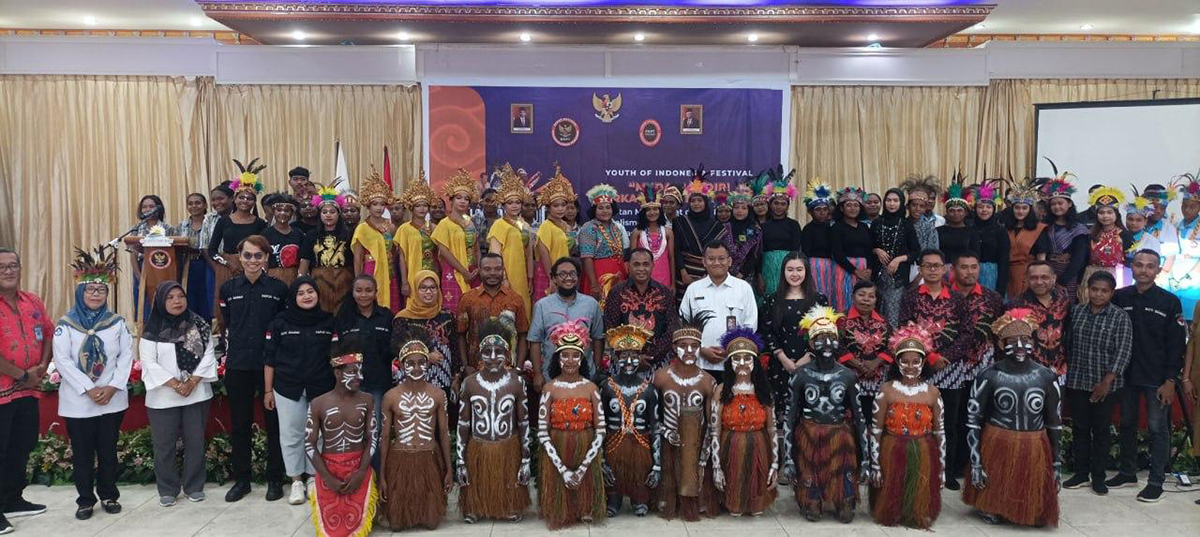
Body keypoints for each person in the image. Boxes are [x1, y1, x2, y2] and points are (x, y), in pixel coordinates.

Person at [53, 246, 133, 520]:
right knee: (83, 454)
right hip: (79, 402)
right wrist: (89, 388)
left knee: (109, 452)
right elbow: (62, 360)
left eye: (101, 291)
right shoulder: (66, 324)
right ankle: (85, 500)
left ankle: (109, 495)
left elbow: (125, 357)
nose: (96, 295)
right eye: (91, 290)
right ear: (80, 293)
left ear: (108, 294)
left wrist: (111, 387)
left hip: (111, 400)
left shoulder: (117, 323)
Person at [964, 308, 1062, 527]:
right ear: (1001, 344)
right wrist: (977, 463)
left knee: (1036, 513)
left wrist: (1056, 463)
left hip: (1034, 443)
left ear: (1033, 343)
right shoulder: (989, 375)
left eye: (1025, 339)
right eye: (1012, 340)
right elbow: (973, 420)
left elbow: (1054, 423)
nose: (1020, 346)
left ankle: (1028, 506)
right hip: (998, 440)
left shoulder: (1046, 377)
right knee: (997, 490)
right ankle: (993, 504)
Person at [1107, 249, 1187, 503]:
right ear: (1132, 267)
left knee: (1157, 429)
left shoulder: (1169, 301)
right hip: (1126, 374)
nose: (1143, 270)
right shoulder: (1119, 297)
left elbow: (1176, 345)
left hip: (1157, 376)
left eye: (1149, 266)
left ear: (1158, 269)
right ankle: (1127, 472)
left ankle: (1156, 481)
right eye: (1139, 265)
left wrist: (1170, 380)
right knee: (1127, 423)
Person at [218, 235, 287, 503]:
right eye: (247, 255)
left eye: (258, 256)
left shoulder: (279, 289)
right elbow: (228, 322)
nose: (252, 261)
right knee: (240, 424)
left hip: (269, 366)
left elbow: (281, 326)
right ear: (240, 257)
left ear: (266, 258)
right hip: (238, 365)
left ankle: (274, 479)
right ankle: (242, 480)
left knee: (274, 424)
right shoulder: (229, 289)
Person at [898, 249, 971, 490]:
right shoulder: (911, 296)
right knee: (919, 420)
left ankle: (947, 472)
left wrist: (946, 357)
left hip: (951, 369)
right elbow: (905, 329)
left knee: (948, 423)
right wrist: (929, 356)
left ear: (945, 269)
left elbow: (966, 333)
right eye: (927, 265)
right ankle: (918, 469)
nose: (932, 269)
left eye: (936, 265)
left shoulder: (958, 298)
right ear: (919, 268)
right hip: (920, 367)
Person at [140, 281, 218, 507]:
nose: (177, 301)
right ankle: (168, 489)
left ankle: (194, 486)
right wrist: (176, 384)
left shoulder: (199, 325)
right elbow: (148, 362)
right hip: (162, 396)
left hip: (196, 393)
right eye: (170, 297)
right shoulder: (152, 328)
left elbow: (209, 355)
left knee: (195, 442)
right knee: (164, 445)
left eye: (180, 296)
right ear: (161, 301)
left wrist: (192, 382)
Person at [785, 308, 864, 523]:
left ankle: (842, 498)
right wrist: (788, 458)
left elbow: (859, 417)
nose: (827, 343)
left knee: (847, 514)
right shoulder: (800, 375)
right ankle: (812, 499)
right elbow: (789, 417)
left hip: (840, 434)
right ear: (811, 344)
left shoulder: (848, 376)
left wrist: (866, 457)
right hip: (809, 433)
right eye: (820, 338)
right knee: (812, 511)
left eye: (831, 338)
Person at [263, 277, 336, 505]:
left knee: (319, 435)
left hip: (321, 387)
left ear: (317, 294)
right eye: (301, 293)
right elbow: (269, 359)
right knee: (291, 435)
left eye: (310, 291)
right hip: (287, 387)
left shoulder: (328, 321)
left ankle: (315, 478)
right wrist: (268, 391)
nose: (306, 296)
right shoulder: (279, 322)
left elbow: (337, 356)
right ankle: (296, 481)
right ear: (293, 298)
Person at [867, 322, 945, 529]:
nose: (910, 366)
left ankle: (914, 511)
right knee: (893, 487)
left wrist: (942, 468)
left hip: (923, 449)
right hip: (891, 448)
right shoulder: (886, 390)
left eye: (916, 361)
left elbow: (940, 432)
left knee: (917, 487)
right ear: (897, 363)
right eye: (905, 361)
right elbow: (875, 430)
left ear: (923, 363)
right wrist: (875, 465)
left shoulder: (932, 393)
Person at [1063, 271, 1132, 496]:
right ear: (1086, 289)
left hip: (1106, 384)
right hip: (1077, 380)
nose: (1098, 294)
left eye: (1104, 291)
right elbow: (1069, 344)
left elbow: (1123, 351)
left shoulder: (1119, 317)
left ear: (1112, 293)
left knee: (1101, 430)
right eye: (1094, 289)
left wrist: (1106, 382)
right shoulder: (1076, 312)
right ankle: (1081, 473)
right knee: (1080, 427)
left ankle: (1098, 476)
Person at [455, 320, 531, 524]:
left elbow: (524, 423)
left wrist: (525, 459)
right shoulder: (469, 383)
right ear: (479, 355)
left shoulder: (517, 382)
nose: (493, 357)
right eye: (487, 352)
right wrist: (461, 461)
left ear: (507, 354)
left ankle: (507, 505)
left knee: (505, 480)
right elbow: (462, 424)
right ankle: (476, 506)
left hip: (508, 446)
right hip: (478, 445)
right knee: (479, 478)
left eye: (499, 351)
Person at [379, 328, 453, 531]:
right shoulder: (391, 397)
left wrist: (448, 468)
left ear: (428, 364)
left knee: (431, 523)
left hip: (428, 457)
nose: (417, 368)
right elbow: (384, 437)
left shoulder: (438, 395)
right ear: (401, 365)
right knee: (396, 525)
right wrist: (383, 474)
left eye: (422, 362)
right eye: (410, 363)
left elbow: (445, 434)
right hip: (400, 457)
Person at [0, 247, 52, 532]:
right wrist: (22, 374)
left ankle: (12, 499)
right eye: (2, 267)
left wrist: (42, 366)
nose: (8, 271)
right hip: (4, 390)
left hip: (28, 390)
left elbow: (46, 332)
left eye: (13, 265)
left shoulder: (32, 301)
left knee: (21, 446)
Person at [537, 320, 607, 529]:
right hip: (557, 446)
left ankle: (585, 506)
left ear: (582, 358)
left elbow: (601, 430)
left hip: (586, 446)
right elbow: (542, 432)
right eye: (564, 355)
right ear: (557, 358)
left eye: (575, 355)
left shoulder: (591, 388)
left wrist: (584, 466)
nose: (570, 361)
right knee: (561, 488)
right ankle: (560, 507)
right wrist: (563, 470)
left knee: (584, 486)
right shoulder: (549, 389)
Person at [946, 251, 1005, 489]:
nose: (969, 272)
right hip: (951, 368)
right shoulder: (945, 296)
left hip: (982, 367)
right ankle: (950, 468)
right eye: (964, 267)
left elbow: (1000, 332)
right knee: (953, 419)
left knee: (979, 418)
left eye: (974, 267)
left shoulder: (992, 298)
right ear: (954, 270)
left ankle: (975, 466)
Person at [652, 311, 718, 521]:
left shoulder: (707, 381)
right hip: (667, 444)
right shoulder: (661, 377)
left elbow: (712, 424)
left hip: (696, 445)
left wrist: (703, 458)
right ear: (673, 348)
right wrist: (665, 432)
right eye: (683, 345)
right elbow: (651, 417)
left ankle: (693, 498)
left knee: (693, 485)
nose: (689, 351)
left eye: (695, 346)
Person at [305, 348, 378, 537]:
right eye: (353, 371)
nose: (359, 376)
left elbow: (372, 437)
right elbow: (309, 444)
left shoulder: (367, 399)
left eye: (360, 371)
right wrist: (327, 477)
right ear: (338, 373)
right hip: (329, 469)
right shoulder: (318, 403)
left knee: (358, 526)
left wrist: (361, 472)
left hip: (358, 466)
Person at [758, 253, 829, 437]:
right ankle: (782, 459)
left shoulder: (819, 299)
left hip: (811, 364)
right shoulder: (772, 300)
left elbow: (824, 332)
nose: (794, 274)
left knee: (809, 417)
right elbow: (767, 332)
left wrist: (807, 357)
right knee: (782, 417)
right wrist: (782, 358)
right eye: (790, 269)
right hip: (780, 365)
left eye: (799, 269)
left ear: (806, 271)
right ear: (783, 272)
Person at [710, 327, 777, 516]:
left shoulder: (764, 390)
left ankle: (755, 500)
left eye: (747, 359)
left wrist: (773, 465)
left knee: (756, 505)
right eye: (736, 359)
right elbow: (714, 429)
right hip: (730, 445)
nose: (742, 363)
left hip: (758, 445)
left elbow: (772, 429)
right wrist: (717, 467)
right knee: (735, 507)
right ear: (729, 363)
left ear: (755, 362)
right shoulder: (722, 390)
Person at [599, 324, 661, 517]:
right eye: (623, 357)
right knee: (614, 476)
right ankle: (614, 499)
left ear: (640, 358)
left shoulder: (649, 390)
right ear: (615, 358)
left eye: (634, 356)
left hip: (641, 444)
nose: (629, 362)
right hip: (613, 442)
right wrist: (601, 458)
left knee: (639, 472)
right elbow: (599, 424)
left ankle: (638, 498)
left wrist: (657, 464)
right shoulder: (606, 388)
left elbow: (656, 426)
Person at [333, 275, 393, 467]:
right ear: (352, 292)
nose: (363, 295)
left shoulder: (387, 317)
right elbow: (336, 352)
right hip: (351, 385)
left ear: (376, 292)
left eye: (368, 290)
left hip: (378, 384)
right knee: (352, 429)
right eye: (359, 290)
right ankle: (354, 472)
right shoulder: (343, 318)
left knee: (374, 430)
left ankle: (375, 474)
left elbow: (393, 350)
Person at [679, 241, 758, 380]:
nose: (716, 263)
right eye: (711, 259)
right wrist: (701, 349)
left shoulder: (743, 288)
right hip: (699, 363)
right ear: (704, 262)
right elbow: (683, 324)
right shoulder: (693, 289)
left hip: (734, 363)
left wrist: (731, 348)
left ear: (729, 261)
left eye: (721, 259)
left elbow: (750, 324)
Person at [208, 160, 269, 330]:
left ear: (253, 201)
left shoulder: (260, 223)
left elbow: (264, 249)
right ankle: (225, 339)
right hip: (227, 269)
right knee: (226, 305)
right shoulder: (224, 222)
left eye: (249, 198)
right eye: (241, 197)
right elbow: (212, 250)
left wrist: (255, 265)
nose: (245, 201)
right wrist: (228, 264)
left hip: (252, 266)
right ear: (235, 199)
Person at [529, 257, 605, 389]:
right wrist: (537, 374)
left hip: (585, 377)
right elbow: (535, 341)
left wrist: (597, 370)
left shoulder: (591, 304)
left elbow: (598, 338)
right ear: (553, 278)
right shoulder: (542, 305)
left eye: (572, 273)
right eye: (562, 274)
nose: (568, 277)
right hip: (551, 377)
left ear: (578, 277)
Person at [602, 248, 675, 374]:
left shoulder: (664, 293)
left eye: (646, 264)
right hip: (623, 362)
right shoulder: (617, 292)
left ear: (653, 265)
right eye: (636, 264)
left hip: (657, 363)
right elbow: (610, 328)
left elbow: (671, 329)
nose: (641, 268)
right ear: (628, 266)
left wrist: (652, 356)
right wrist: (632, 356)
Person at [456, 253, 529, 377]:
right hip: (476, 370)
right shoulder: (467, 299)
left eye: (497, 269)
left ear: (503, 270)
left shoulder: (515, 299)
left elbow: (523, 334)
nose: (493, 273)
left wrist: (517, 368)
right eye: (487, 269)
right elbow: (461, 334)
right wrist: (465, 367)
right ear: (479, 270)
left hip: (508, 370)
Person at [393, 271, 458, 398]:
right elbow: (396, 347)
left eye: (433, 287)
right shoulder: (404, 317)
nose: (428, 292)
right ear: (416, 290)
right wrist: (426, 356)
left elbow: (454, 347)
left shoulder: (447, 315)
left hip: (442, 376)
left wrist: (456, 376)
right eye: (423, 288)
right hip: (412, 377)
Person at [836, 282, 892, 428]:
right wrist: (858, 364)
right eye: (861, 295)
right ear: (852, 297)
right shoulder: (841, 320)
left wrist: (876, 363)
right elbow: (837, 346)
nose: (866, 299)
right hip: (849, 380)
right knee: (851, 424)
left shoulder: (884, 322)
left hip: (877, 382)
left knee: (873, 423)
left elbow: (893, 345)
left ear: (876, 300)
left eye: (871, 296)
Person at [432, 170, 482, 314]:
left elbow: (476, 247)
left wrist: (478, 267)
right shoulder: (444, 224)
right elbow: (444, 252)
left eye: (466, 199)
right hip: (453, 271)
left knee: (474, 309)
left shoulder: (470, 223)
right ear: (452, 200)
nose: (462, 201)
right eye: (458, 197)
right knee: (454, 309)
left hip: (473, 271)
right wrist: (463, 271)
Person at [1009, 261, 1071, 376]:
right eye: (1033, 278)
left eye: (1044, 277)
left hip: (1059, 371)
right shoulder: (1015, 305)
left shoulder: (1064, 302)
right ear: (1026, 279)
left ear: (1054, 278)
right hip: (1028, 373)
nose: (1039, 282)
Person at [299, 186, 355, 314]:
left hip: (344, 280)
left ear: (338, 214)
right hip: (319, 280)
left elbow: (355, 260)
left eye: (332, 212)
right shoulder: (311, 235)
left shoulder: (349, 235)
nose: (328, 215)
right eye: (325, 212)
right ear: (320, 215)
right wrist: (301, 282)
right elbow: (305, 260)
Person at [869, 188, 919, 325]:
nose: (892, 204)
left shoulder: (906, 224)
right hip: (878, 276)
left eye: (896, 200)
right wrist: (876, 250)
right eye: (889, 200)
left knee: (894, 314)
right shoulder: (876, 223)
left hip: (898, 278)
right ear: (884, 203)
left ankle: (894, 344)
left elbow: (916, 251)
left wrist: (898, 259)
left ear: (901, 203)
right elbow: (868, 247)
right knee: (877, 311)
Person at [673, 168, 726, 299]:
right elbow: (676, 250)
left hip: (709, 272)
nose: (696, 204)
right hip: (685, 273)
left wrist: (709, 273)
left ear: (705, 202)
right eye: (693, 201)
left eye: (699, 201)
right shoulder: (680, 221)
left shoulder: (717, 225)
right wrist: (683, 273)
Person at [352, 171, 399, 313]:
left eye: (382, 204)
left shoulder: (391, 227)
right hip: (370, 270)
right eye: (375, 204)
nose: (379, 208)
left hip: (389, 271)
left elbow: (394, 253)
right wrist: (357, 280)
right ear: (368, 206)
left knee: (391, 303)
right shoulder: (362, 228)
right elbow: (358, 258)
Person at [490, 172, 536, 316]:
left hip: (522, 277)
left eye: (518, 202)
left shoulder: (525, 226)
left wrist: (530, 278)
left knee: (524, 311)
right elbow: (495, 256)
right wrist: (502, 279)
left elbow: (529, 255)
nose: (515, 206)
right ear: (503, 205)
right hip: (507, 277)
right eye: (510, 203)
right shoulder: (499, 225)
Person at [579, 184, 629, 309]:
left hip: (618, 273)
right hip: (598, 274)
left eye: (608, 207)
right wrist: (594, 284)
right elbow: (587, 258)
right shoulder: (589, 228)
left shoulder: (616, 228)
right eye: (600, 208)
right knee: (600, 308)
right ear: (594, 210)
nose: (605, 210)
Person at [1040, 173, 1089, 300]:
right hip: (1047, 272)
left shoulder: (1079, 229)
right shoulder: (1044, 226)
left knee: (1067, 306)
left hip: (1069, 275)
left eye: (1060, 203)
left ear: (1069, 204)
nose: (1057, 207)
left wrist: (1062, 281)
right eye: (1053, 204)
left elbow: (1079, 259)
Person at [1079, 188, 1134, 300]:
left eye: (1109, 212)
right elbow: (1083, 259)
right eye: (1101, 212)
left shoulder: (1125, 235)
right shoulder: (1090, 234)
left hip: (1117, 276)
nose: (1105, 216)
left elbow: (1130, 260)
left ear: (1116, 214)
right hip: (1092, 275)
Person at [394, 176, 440, 306]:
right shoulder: (404, 229)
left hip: (432, 270)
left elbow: (440, 253)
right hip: (413, 274)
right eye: (418, 206)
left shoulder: (433, 227)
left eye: (425, 205)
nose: (422, 209)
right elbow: (402, 257)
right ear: (411, 208)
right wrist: (404, 282)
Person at [1002, 176, 1049, 298]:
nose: (1020, 211)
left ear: (1030, 209)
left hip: (1029, 273)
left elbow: (1041, 258)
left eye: (1024, 208)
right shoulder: (1006, 228)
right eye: (1017, 208)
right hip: (1008, 273)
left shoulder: (1039, 229)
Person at [127, 194, 171, 321]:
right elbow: (133, 255)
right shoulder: (136, 229)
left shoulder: (168, 228)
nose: (148, 209)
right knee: (143, 302)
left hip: (162, 269)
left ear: (159, 208)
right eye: (144, 207)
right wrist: (139, 277)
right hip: (141, 268)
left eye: (151, 206)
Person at [534, 168, 577, 299]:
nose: (560, 209)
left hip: (564, 273)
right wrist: (551, 277)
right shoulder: (546, 226)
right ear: (548, 208)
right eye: (556, 205)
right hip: (550, 274)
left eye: (563, 205)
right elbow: (544, 253)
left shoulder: (564, 226)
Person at [760, 168, 802, 296]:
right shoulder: (763, 227)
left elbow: (796, 250)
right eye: (776, 203)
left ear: (787, 206)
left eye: (783, 204)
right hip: (768, 268)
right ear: (770, 205)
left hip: (788, 266)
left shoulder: (793, 225)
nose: (779, 206)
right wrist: (759, 275)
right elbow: (759, 252)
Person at [830, 187, 873, 311]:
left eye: (856, 205)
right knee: (844, 300)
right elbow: (837, 254)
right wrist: (855, 271)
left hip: (864, 269)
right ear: (842, 208)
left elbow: (869, 250)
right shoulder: (836, 228)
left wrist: (869, 269)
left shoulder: (864, 227)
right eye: (849, 205)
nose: (853, 208)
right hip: (844, 270)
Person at [630, 185, 676, 292]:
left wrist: (673, 283)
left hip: (664, 277)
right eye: (648, 210)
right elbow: (632, 260)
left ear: (660, 211)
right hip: (641, 278)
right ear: (643, 213)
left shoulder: (668, 232)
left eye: (655, 209)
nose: (652, 213)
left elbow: (671, 258)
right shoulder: (637, 232)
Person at [177, 192, 214, 321]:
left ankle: (207, 328)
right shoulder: (181, 226)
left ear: (205, 205)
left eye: (198, 203)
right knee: (190, 296)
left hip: (207, 263)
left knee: (207, 297)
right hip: (188, 265)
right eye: (190, 203)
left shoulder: (212, 223)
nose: (194, 206)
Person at [937, 180, 981, 286]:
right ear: (947, 213)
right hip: (942, 275)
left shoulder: (972, 232)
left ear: (965, 212)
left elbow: (976, 256)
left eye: (959, 210)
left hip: (965, 274)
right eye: (952, 210)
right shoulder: (938, 231)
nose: (955, 213)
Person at [1168, 174, 1200, 320]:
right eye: (1184, 206)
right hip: (1174, 279)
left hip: (1194, 279)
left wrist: (1189, 276)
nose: (1187, 210)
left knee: (1191, 319)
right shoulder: (1176, 225)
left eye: (1192, 207)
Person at [971, 181, 1011, 293]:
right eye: (980, 206)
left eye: (988, 207)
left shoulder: (1000, 231)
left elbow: (1004, 261)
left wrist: (1001, 289)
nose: (984, 210)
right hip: (970, 274)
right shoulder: (969, 228)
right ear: (975, 208)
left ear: (994, 209)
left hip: (993, 276)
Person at [801, 179, 837, 303]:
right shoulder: (808, 229)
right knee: (818, 293)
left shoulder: (832, 227)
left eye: (825, 209)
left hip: (832, 266)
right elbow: (805, 253)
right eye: (818, 209)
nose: (822, 213)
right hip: (815, 266)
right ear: (811, 212)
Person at [260, 193, 304, 288]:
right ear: (273, 211)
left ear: (292, 213)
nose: (282, 213)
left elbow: (302, 260)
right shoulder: (265, 234)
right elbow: (264, 259)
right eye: (279, 210)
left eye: (286, 211)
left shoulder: (299, 234)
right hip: (272, 277)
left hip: (294, 278)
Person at [722, 185, 761, 286]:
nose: (740, 211)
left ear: (749, 210)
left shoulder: (755, 230)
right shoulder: (724, 227)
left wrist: (742, 273)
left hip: (746, 275)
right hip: (724, 275)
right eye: (736, 208)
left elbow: (755, 255)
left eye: (744, 208)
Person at [472, 186, 500, 255]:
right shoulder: (474, 219)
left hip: (497, 255)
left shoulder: (502, 220)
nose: (490, 204)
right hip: (478, 255)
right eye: (487, 200)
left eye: (493, 201)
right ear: (481, 201)